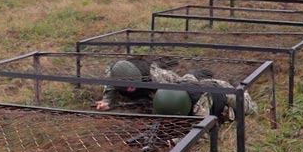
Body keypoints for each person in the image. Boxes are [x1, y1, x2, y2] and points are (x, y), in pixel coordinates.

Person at [95, 59, 257, 122]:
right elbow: (110, 88)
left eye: (132, 85)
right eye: (126, 86)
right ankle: (192, 75)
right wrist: (107, 101)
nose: (130, 89)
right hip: (199, 89)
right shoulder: (113, 74)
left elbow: (203, 128)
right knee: (188, 82)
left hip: (217, 88)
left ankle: (196, 74)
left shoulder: (157, 77)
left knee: (183, 83)